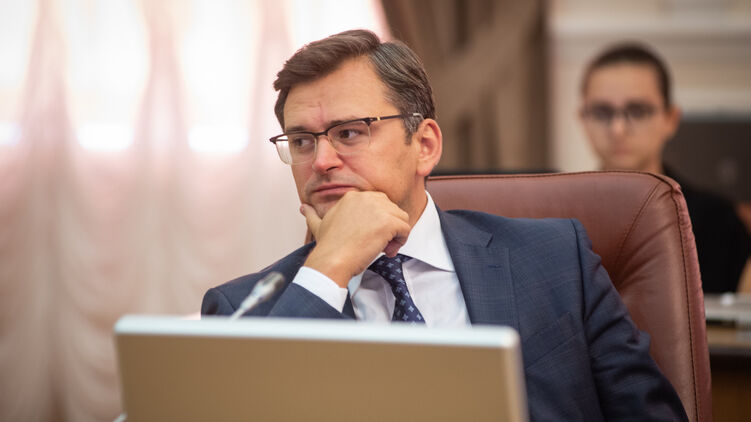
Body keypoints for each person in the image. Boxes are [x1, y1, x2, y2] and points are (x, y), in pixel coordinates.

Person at [202, 30, 687, 420]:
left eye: (349, 133)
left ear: (425, 145)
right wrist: (329, 266)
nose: (322, 161)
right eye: (302, 142)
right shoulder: (240, 312)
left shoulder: (557, 261)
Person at [579, 42, 751, 293]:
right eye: (602, 112)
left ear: (670, 119)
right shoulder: (562, 220)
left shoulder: (719, 222)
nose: (618, 129)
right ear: (582, 119)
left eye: (638, 111)